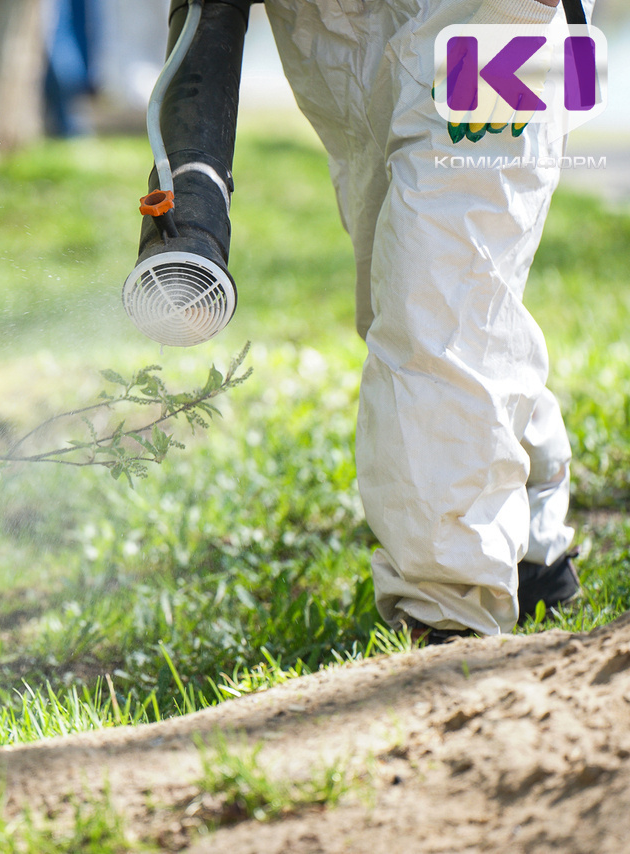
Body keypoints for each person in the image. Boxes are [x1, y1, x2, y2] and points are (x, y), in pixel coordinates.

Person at [249, 0, 588, 640]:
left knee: (437, 288)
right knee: (409, 281)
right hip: (335, 24)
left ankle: (450, 610)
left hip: (490, 12)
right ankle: (528, 535)